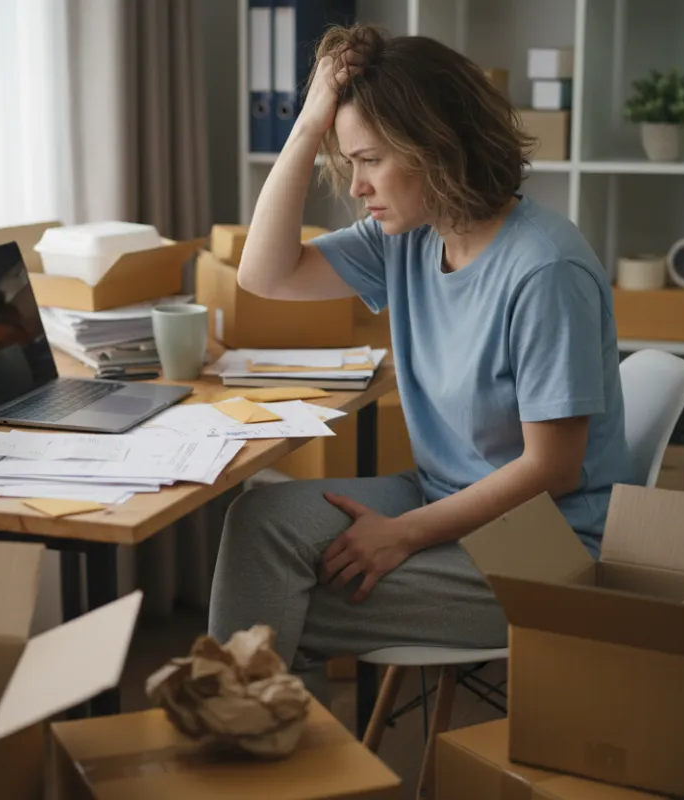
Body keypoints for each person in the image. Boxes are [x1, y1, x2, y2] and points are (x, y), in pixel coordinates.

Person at [206, 25, 632, 703]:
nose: (358, 185)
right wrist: (311, 120)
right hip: (443, 494)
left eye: (369, 159)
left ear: (436, 147)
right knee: (259, 524)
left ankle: (246, 749)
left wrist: (403, 535)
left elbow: (554, 468)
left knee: (272, 610)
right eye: (348, 161)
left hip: (548, 548)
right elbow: (263, 273)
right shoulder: (407, 237)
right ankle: (253, 741)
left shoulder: (545, 268)